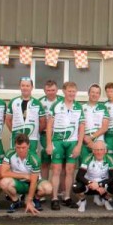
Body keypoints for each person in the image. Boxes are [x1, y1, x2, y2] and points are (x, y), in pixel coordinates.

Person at [46, 81, 85, 210]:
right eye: (69, 91)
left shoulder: (79, 107)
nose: (71, 93)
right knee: (56, 170)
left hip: (72, 142)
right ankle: (54, 198)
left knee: (69, 171)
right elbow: (49, 126)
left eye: (74, 91)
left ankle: (67, 197)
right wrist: (49, 144)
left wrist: (79, 145)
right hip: (57, 141)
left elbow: (82, 127)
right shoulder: (56, 106)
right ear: (64, 92)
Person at [1, 134, 53, 214]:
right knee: (4, 182)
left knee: (48, 188)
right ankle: (16, 201)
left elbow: (33, 181)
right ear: (15, 145)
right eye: (18, 147)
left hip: (32, 182)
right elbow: (3, 173)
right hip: (18, 182)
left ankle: (35, 199)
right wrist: (24, 175)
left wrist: (29, 200)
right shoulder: (10, 153)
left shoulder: (34, 158)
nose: (21, 150)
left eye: (23, 147)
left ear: (28, 146)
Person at [73, 140, 113, 212]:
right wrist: (90, 183)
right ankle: (83, 201)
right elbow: (79, 176)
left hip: (102, 185)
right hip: (90, 185)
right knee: (76, 186)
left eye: (101, 150)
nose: (99, 152)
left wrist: (100, 184)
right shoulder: (87, 158)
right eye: (96, 150)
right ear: (93, 151)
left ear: (105, 151)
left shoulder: (110, 159)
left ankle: (106, 200)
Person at [5, 77, 46, 152]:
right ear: (19, 87)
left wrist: (35, 131)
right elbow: (8, 120)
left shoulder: (37, 103)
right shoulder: (13, 102)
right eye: (23, 85)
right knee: (14, 159)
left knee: (31, 160)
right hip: (16, 138)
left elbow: (43, 122)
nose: (25, 88)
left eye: (27, 86)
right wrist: (14, 131)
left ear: (32, 87)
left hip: (32, 138)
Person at [38, 80, 64, 181]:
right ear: (44, 91)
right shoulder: (39, 102)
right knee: (45, 162)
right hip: (44, 136)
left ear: (57, 90)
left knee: (58, 164)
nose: (51, 92)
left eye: (53, 90)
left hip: (59, 136)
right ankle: (44, 185)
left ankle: (59, 190)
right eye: (48, 90)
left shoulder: (62, 100)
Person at [81, 84, 110, 160]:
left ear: (99, 95)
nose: (95, 94)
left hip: (98, 139)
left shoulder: (103, 108)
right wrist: (85, 138)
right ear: (88, 93)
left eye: (97, 93)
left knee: (98, 165)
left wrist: (91, 137)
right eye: (93, 92)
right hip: (84, 140)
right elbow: (78, 126)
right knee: (84, 164)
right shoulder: (81, 107)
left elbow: (105, 127)